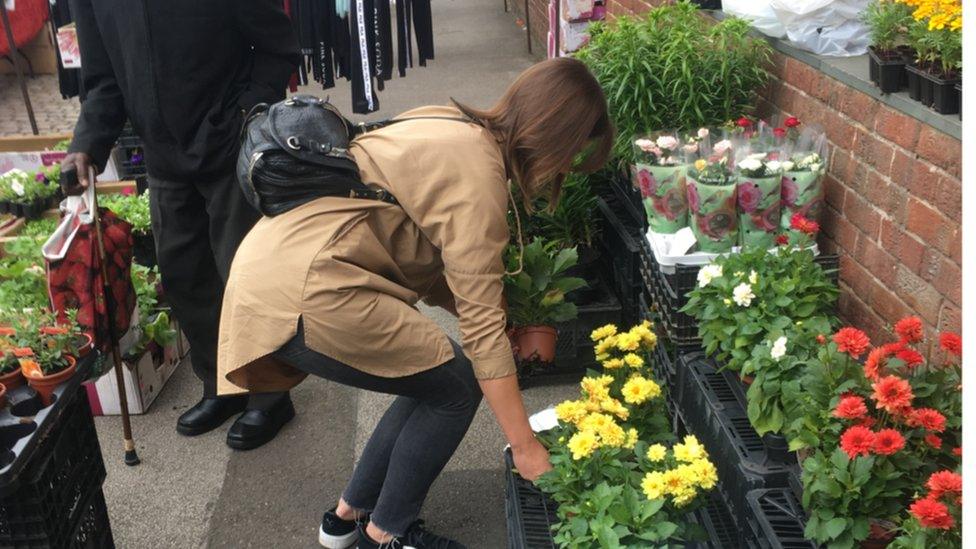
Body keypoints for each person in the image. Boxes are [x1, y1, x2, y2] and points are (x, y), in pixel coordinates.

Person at [217, 57, 613, 548]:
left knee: (430, 373)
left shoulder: (450, 125)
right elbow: (482, 335)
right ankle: (387, 534)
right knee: (456, 387)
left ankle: (346, 519)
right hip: (316, 290)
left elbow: (427, 257)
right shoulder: (479, 180)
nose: (567, 170)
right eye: (574, 155)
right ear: (557, 138)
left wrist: (495, 318)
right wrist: (526, 446)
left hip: (272, 269)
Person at [61, 0, 301, 450]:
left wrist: (246, 110)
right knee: (185, 274)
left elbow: (277, 43)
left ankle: (271, 394)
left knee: (246, 275)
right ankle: (223, 385)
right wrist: (88, 144)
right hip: (164, 156)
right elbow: (103, 79)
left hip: (229, 143)